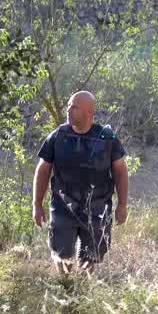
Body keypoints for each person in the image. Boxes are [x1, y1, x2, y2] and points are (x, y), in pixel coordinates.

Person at [31, 90, 129, 274]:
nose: (69, 110)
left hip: (97, 209)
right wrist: (37, 204)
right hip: (63, 208)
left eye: (74, 107)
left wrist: (122, 204)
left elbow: (121, 171)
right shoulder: (58, 136)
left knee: (90, 259)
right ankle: (66, 289)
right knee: (62, 257)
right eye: (68, 105)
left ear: (89, 112)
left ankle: (82, 291)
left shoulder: (107, 138)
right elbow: (43, 169)